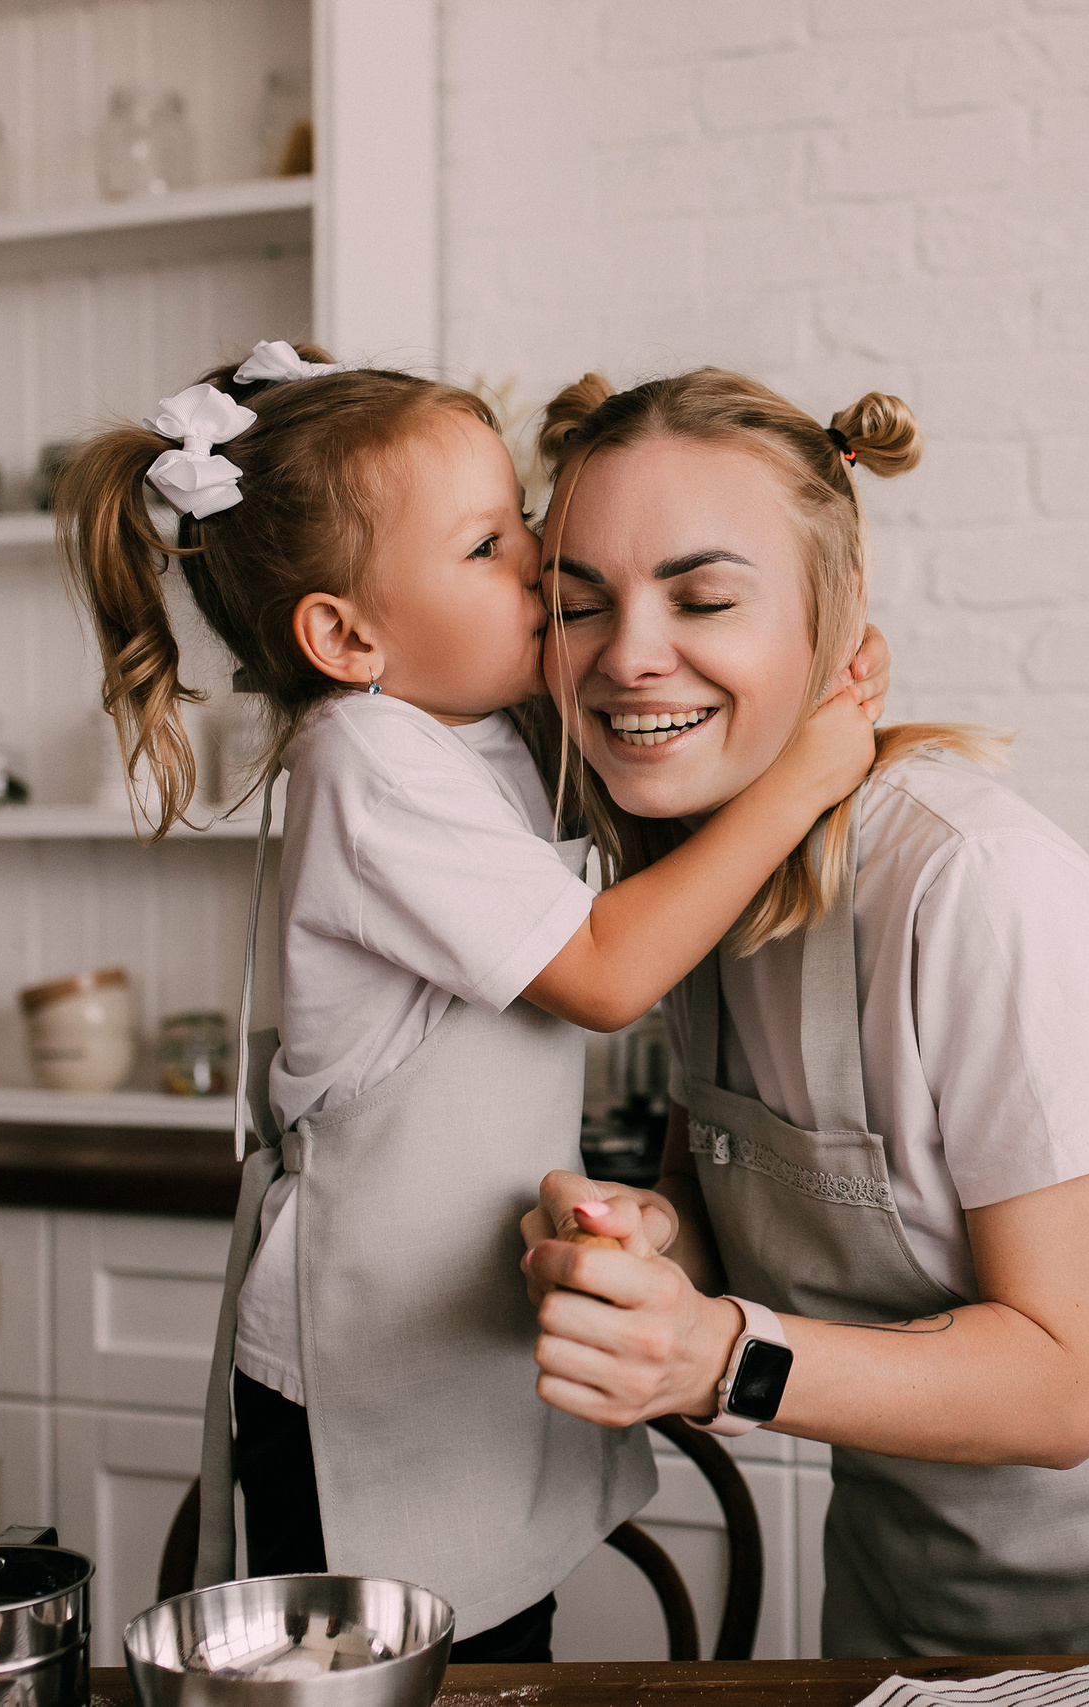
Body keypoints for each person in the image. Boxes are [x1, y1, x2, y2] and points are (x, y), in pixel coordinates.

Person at [515, 368, 1089, 1657]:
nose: (628, 653)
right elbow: (730, 1226)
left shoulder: (979, 885)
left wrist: (716, 1358)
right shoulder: (693, 886)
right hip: (906, 1601)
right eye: (579, 604)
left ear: (836, 620)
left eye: (704, 599)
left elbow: (1064, 1383)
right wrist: (652, 1255)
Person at [56, 343, 889, 1659]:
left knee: (499, 1649)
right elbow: (606, 972)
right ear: (346, 638)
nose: (541, 566)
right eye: (491, 545)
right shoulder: (370, 756)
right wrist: (812, 768)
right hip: (364, 1368)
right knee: (395, 1674)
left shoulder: (467, 728)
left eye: (526, 523)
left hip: (459, 1343)